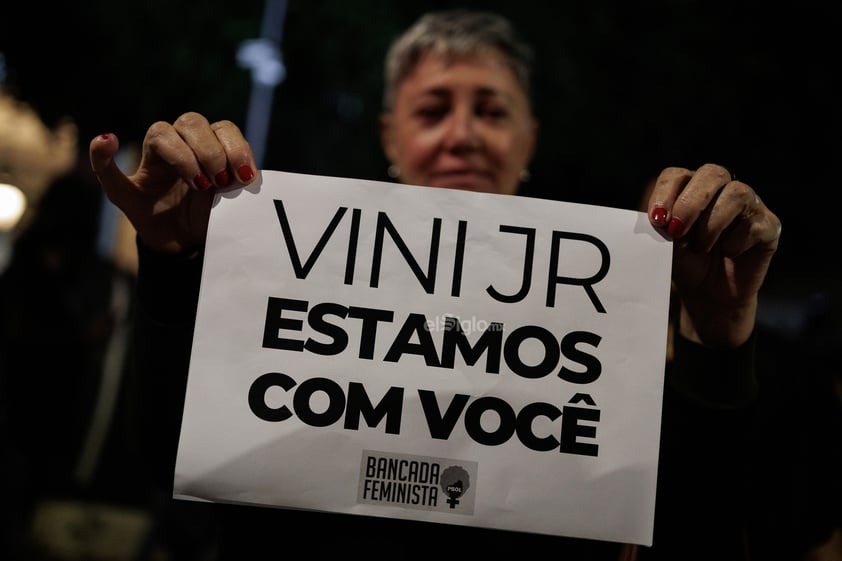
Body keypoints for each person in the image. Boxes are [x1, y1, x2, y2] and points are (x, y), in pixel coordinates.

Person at [88, 9, 783, 560]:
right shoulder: (295, 274)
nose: (463, 135)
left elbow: (703, 535)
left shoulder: (604, 320)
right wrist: (174, 263)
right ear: (391, 137)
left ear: (530, 139)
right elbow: (166, 456)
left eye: (492, 109)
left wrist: (715, 345)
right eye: (432, 110)